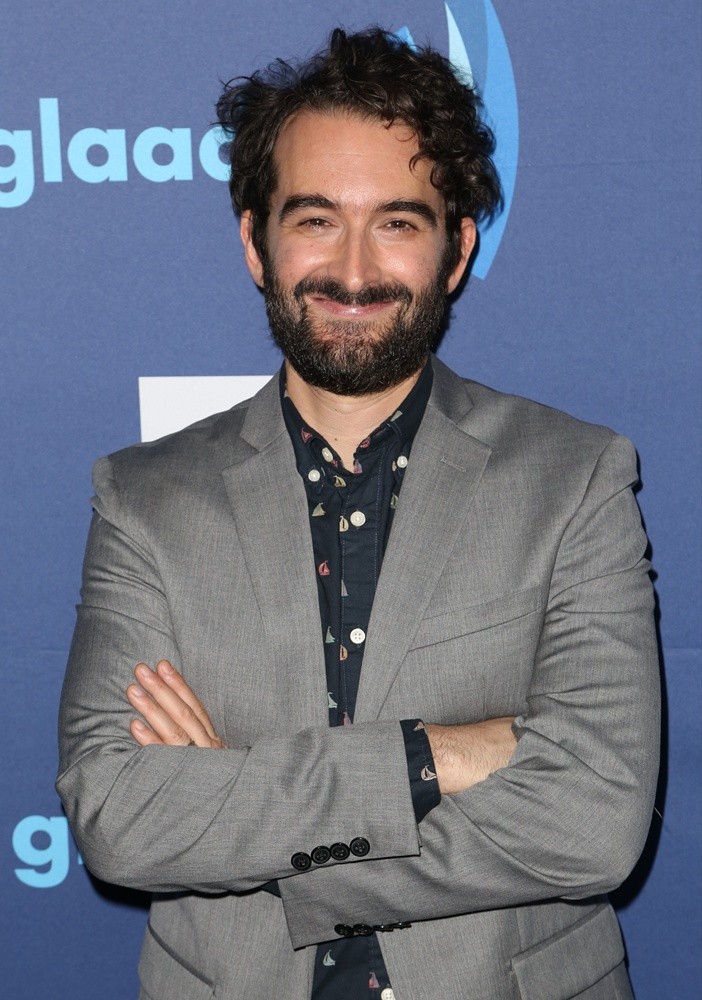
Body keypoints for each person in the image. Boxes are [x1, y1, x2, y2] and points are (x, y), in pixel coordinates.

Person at [57, 27, 660, 1000]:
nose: (351, 267)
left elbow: (594, 821)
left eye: (397, 221)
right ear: (256, 240)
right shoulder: (145, 499)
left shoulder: (575, 477)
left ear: (456, 249)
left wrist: (250, 807)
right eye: (314, 219)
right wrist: (441, 755)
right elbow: (121, 819)